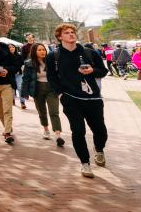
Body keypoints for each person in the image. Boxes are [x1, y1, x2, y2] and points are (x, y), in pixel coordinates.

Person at [46, 24, 109, 178]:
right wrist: (61, 94)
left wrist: (92, 70)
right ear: (60, 37)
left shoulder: (89, 52)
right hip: (71, 99)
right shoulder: (53, 56)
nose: (71, 35)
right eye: (66, 33)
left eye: (72, 32)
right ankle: (85, 163)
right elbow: (52, 78)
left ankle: (99, 149)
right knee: (78, 130)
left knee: (100, 131)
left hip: (92, 97)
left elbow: (104, 70)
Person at [22, 43, 65, 146]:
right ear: (34, 52)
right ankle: (46, 129)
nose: (42, 52)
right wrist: (25, 92)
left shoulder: (51, 61)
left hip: (52, 89)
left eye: (43, 50)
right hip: (37, 89)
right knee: (42, 112)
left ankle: (58, 135)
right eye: (39, 50)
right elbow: (26, 79)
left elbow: (59, 75)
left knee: (54, 112)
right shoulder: (29, 63)